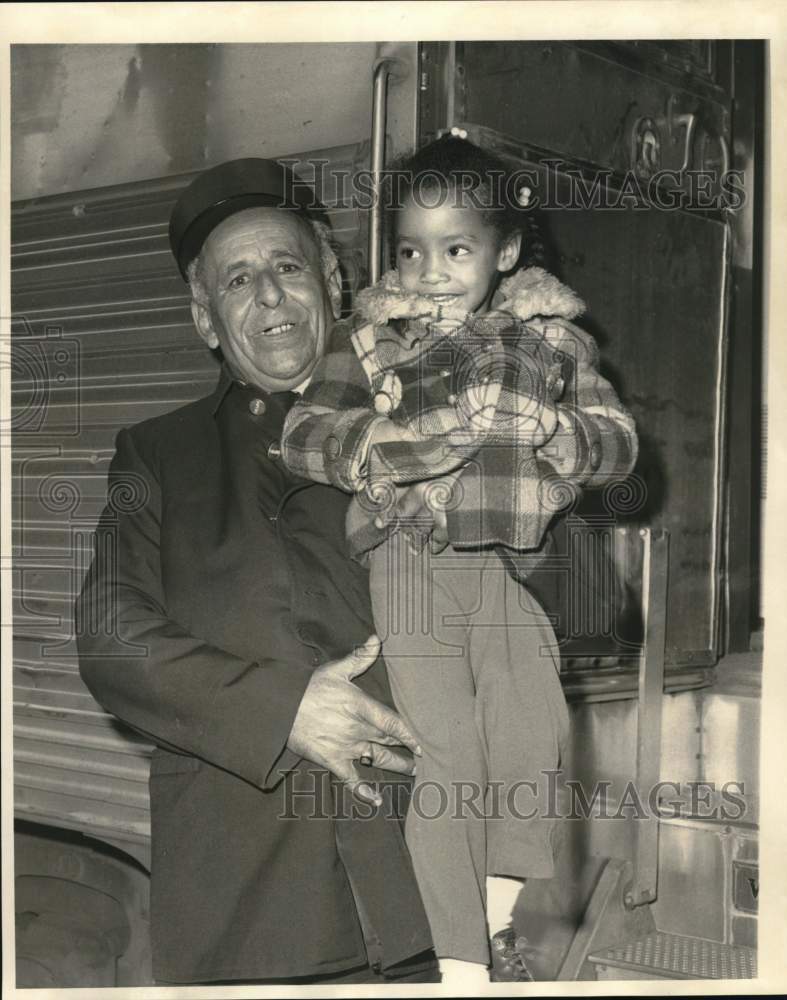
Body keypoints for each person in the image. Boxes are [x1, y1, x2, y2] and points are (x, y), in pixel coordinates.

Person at [281, 134, 638, 986]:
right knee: (445, 748)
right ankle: (459, 957)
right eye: (411, 250)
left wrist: (561, 435)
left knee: (531, 728)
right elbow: (304, 437)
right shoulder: (369, 340)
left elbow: (620, 446)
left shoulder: (550, 341)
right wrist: (382, 442)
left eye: (456, 250)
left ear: (503, 253)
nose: (430, 272)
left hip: (507, 565)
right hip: (407, 552)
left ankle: (492, 906)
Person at [75, 157, 441, 985]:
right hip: (247, 909)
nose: (268, 295)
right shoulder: (156, 455)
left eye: (285, 267)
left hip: (425, 877)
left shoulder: (421, 416)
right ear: (206, 318)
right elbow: (109, 638)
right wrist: (283, 711)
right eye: (237, 280)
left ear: (332, 280)